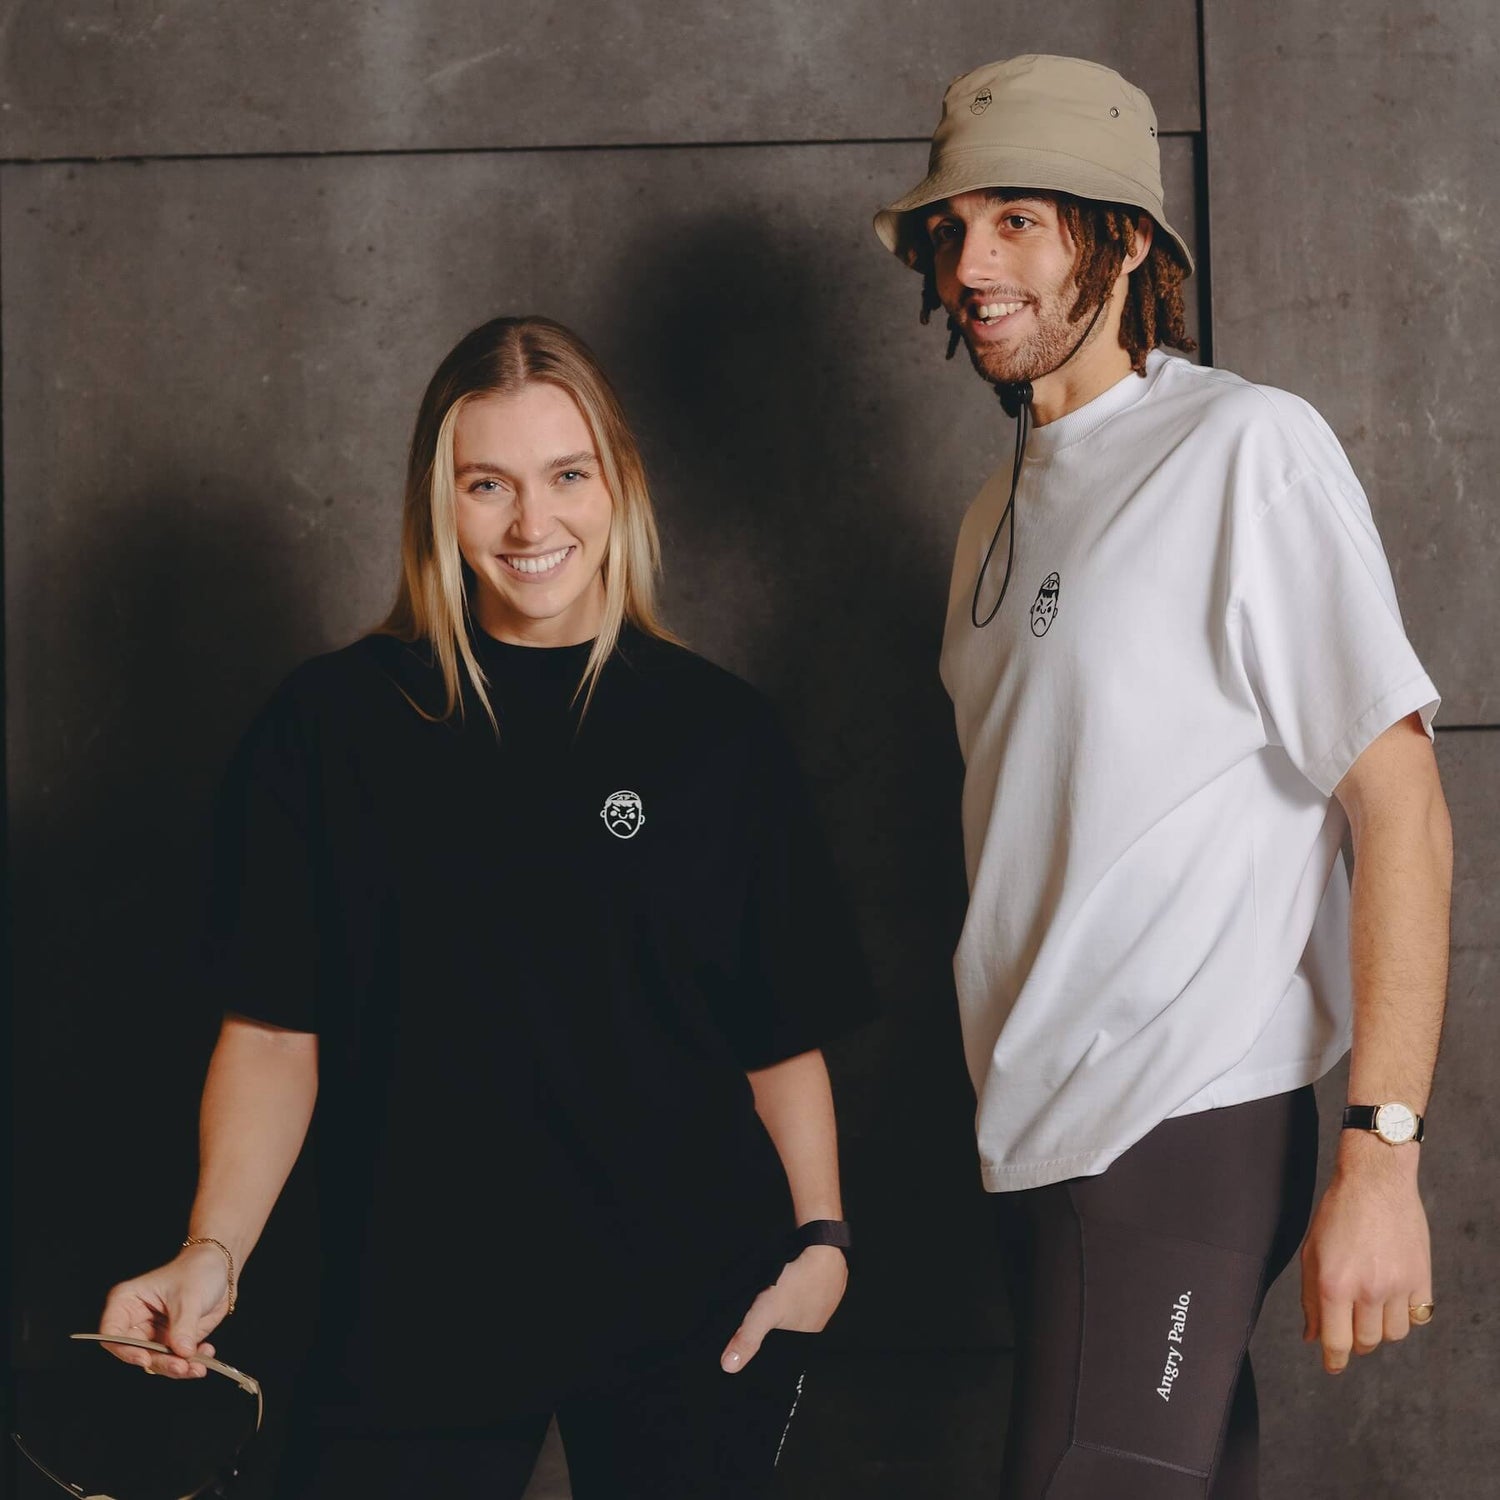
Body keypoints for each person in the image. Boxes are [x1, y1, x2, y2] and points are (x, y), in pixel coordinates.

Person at [97, 315, 871, 1499]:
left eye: (568, 476)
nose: (530, 524)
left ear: (620, 487)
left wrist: (821, 1243)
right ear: (435, 502)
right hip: (408, 1301)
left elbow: (778, 1036)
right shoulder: (329, 729)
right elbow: (270, 1030)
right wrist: (216, 1252)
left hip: (690, 1302)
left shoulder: (720, 735)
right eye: (486, 484)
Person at [873, 55, 1451, 1498]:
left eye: (1019, 220)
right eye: (952, 228)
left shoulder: (1244, 450)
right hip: (1035, 1130)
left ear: (1126, 242)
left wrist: (1382, 1154)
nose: (972, 264)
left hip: (1181, 1120)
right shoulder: (991, 520)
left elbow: (1402, 808)